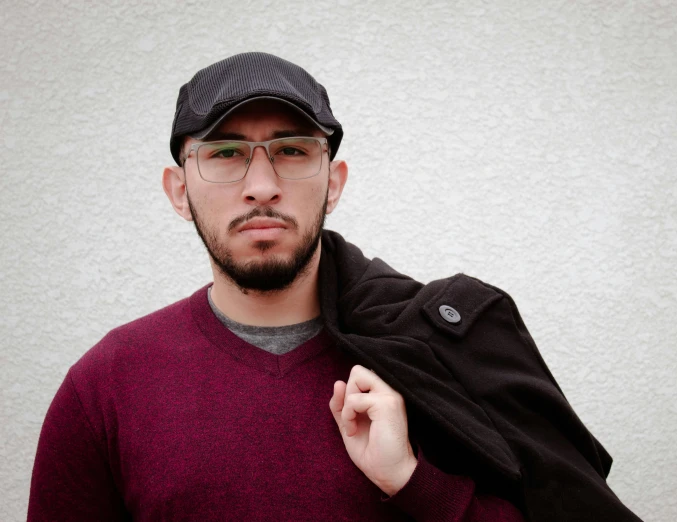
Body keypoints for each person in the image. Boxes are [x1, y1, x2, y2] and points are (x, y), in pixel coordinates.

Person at [28, 52, 642, 522]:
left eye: (293, 151)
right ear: (178, 190)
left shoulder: (432, 352)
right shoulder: (106, 386)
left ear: (335, 181)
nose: (262, 184)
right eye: (225, 153)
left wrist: (415, 483)